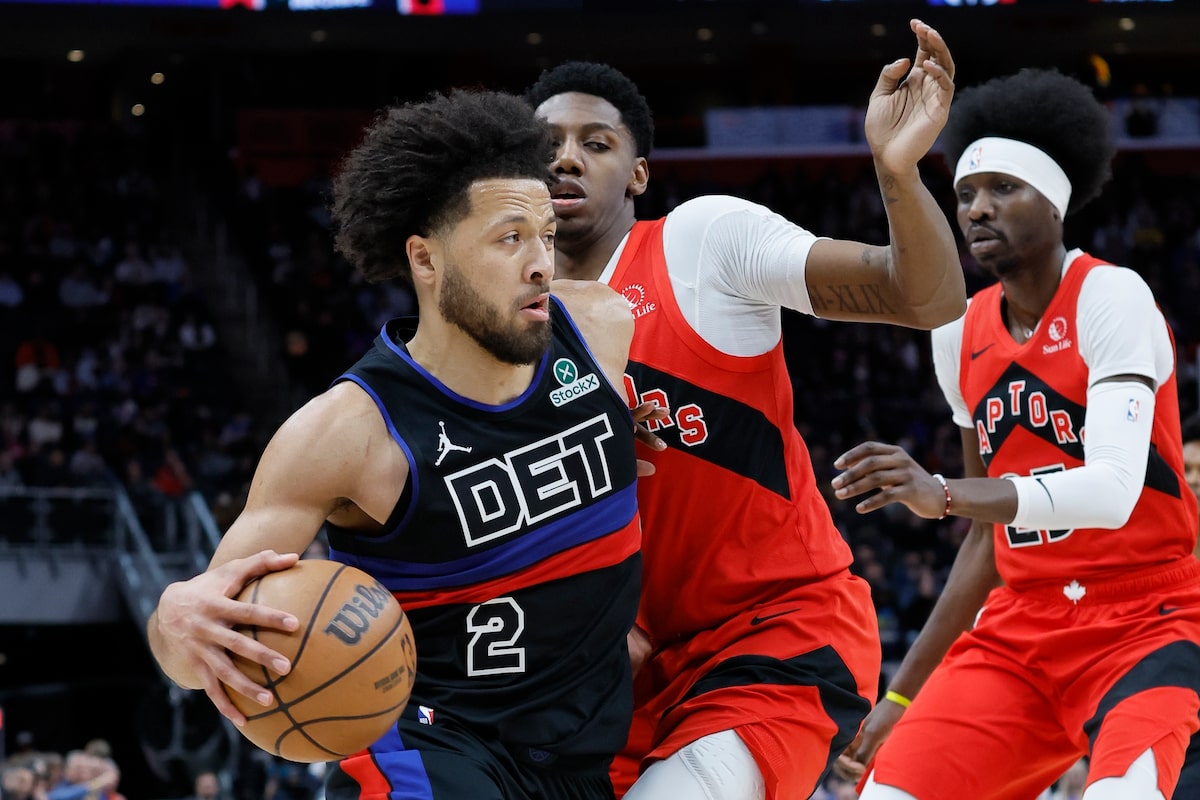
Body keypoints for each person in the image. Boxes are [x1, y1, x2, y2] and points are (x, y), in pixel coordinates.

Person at [147, 89, 647, 800]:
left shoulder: (600, 330)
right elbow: (199, 646)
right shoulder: (345, 434)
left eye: (544, 233)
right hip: (431, 751)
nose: (540, 262)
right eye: (509, 238)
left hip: (585, 757)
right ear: (426, 257)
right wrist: (175, 616)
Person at [523, 18, 964, 800]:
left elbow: (922, 297)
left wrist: (898, 172)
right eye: (548, 142)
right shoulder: (492, 321)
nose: (566, 156)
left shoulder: (702, 243)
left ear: (638, 175)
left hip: (773, 637)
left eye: (596, 142)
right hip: (604, 674)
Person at [831, 68, 1200, 800]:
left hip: (1144, 618)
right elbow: (983, 543)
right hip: (1021, 629)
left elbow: (1115, 491)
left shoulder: (1111, 295)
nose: (976, 209)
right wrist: (899, 699)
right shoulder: (956, 333)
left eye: (1005, 189)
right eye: (966, 193)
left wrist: (941, 492)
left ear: (1056, 204)